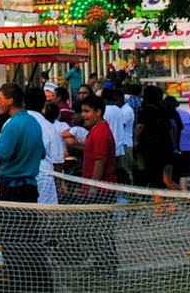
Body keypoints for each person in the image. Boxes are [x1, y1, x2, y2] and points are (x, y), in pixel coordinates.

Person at [0, 83, 53, 293]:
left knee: (12, 241)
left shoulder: (12, 125)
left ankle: (19, 284)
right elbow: (41, 153)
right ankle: (42, 285)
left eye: (0, 97)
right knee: (31, 240)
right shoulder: (33, 122)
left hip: (13, 189)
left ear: (10, 100)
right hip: (30, 188)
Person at [75, 96, 120, 275]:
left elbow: (100, 161)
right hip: (98, 188)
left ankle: (106, 265)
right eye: (82, 111)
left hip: (102, 190)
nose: (83, 115)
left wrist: (92, 187)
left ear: (98, 112)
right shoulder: (97, 130)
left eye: (87, 111)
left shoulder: (101, 132)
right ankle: (103, 263)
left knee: (99, 230)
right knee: (96, 230)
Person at [24, 86, 64, 204]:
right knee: (44, 214)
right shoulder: (49, 127)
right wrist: (59, 185)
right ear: (43, 105)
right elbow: (58, 162)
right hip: (44, 182)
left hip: (18, 181)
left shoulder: (10, 124)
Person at [102, 85, 134, 185]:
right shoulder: (120, 110)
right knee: (123, 174)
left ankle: (129, 192)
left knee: (125, 173)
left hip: (124, 145)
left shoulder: (126, 110)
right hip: (120, 147)